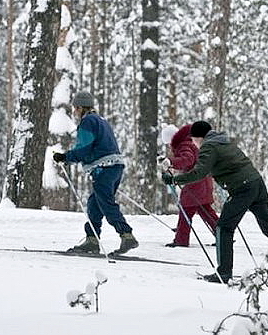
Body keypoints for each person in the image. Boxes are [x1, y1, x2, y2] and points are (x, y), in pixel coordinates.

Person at [161, 121, 268, 283]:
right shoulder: (223, 141)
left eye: (194, 140)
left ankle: (224, 272)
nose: (194, 143)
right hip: (256, 184)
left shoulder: (209, 146)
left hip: (243, 189)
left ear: (199, 137)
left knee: (224, 228)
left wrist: (175, 179)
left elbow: (200, 172)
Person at [53, 91, 138, 254]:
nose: (74, 112)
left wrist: (66, 157)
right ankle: (92, 240)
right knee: (94, 203)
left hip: (103, 169)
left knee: (106, 203)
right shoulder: (100, 120)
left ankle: (126, 235)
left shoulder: (88, 122)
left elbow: (84, 148)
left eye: (75, 108)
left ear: (79, 107)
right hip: (114, 166)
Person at [158, 124, 219, 247]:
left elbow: (187, 159)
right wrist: (169, 161)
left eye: (168, 143)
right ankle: (223, 235)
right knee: (205, 210)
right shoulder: (189, 143)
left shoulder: (183, 145)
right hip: (204, 181)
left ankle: (181, 240)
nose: (169, 146)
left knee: (186, 209)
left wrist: (171, 162)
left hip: (195, 183)